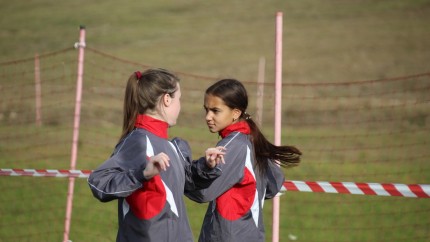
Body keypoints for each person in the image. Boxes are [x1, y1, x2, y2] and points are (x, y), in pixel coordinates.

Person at [87, 68, 225, 242]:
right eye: (179, 99)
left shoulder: (171, 145)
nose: (180, 106)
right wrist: (142, 174)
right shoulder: (138, 141)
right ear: (167, 99)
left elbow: (187, 182)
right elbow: (99, 183)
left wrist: (207, 165)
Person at [185, 78, 302, 242]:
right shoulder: (250, 139)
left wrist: (180, 170)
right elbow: (274, 182)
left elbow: (204, 192)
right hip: (249, 234)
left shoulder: (233, 146)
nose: (208, 117)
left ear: (236, 113)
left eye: (215, 111)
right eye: (206, 110)